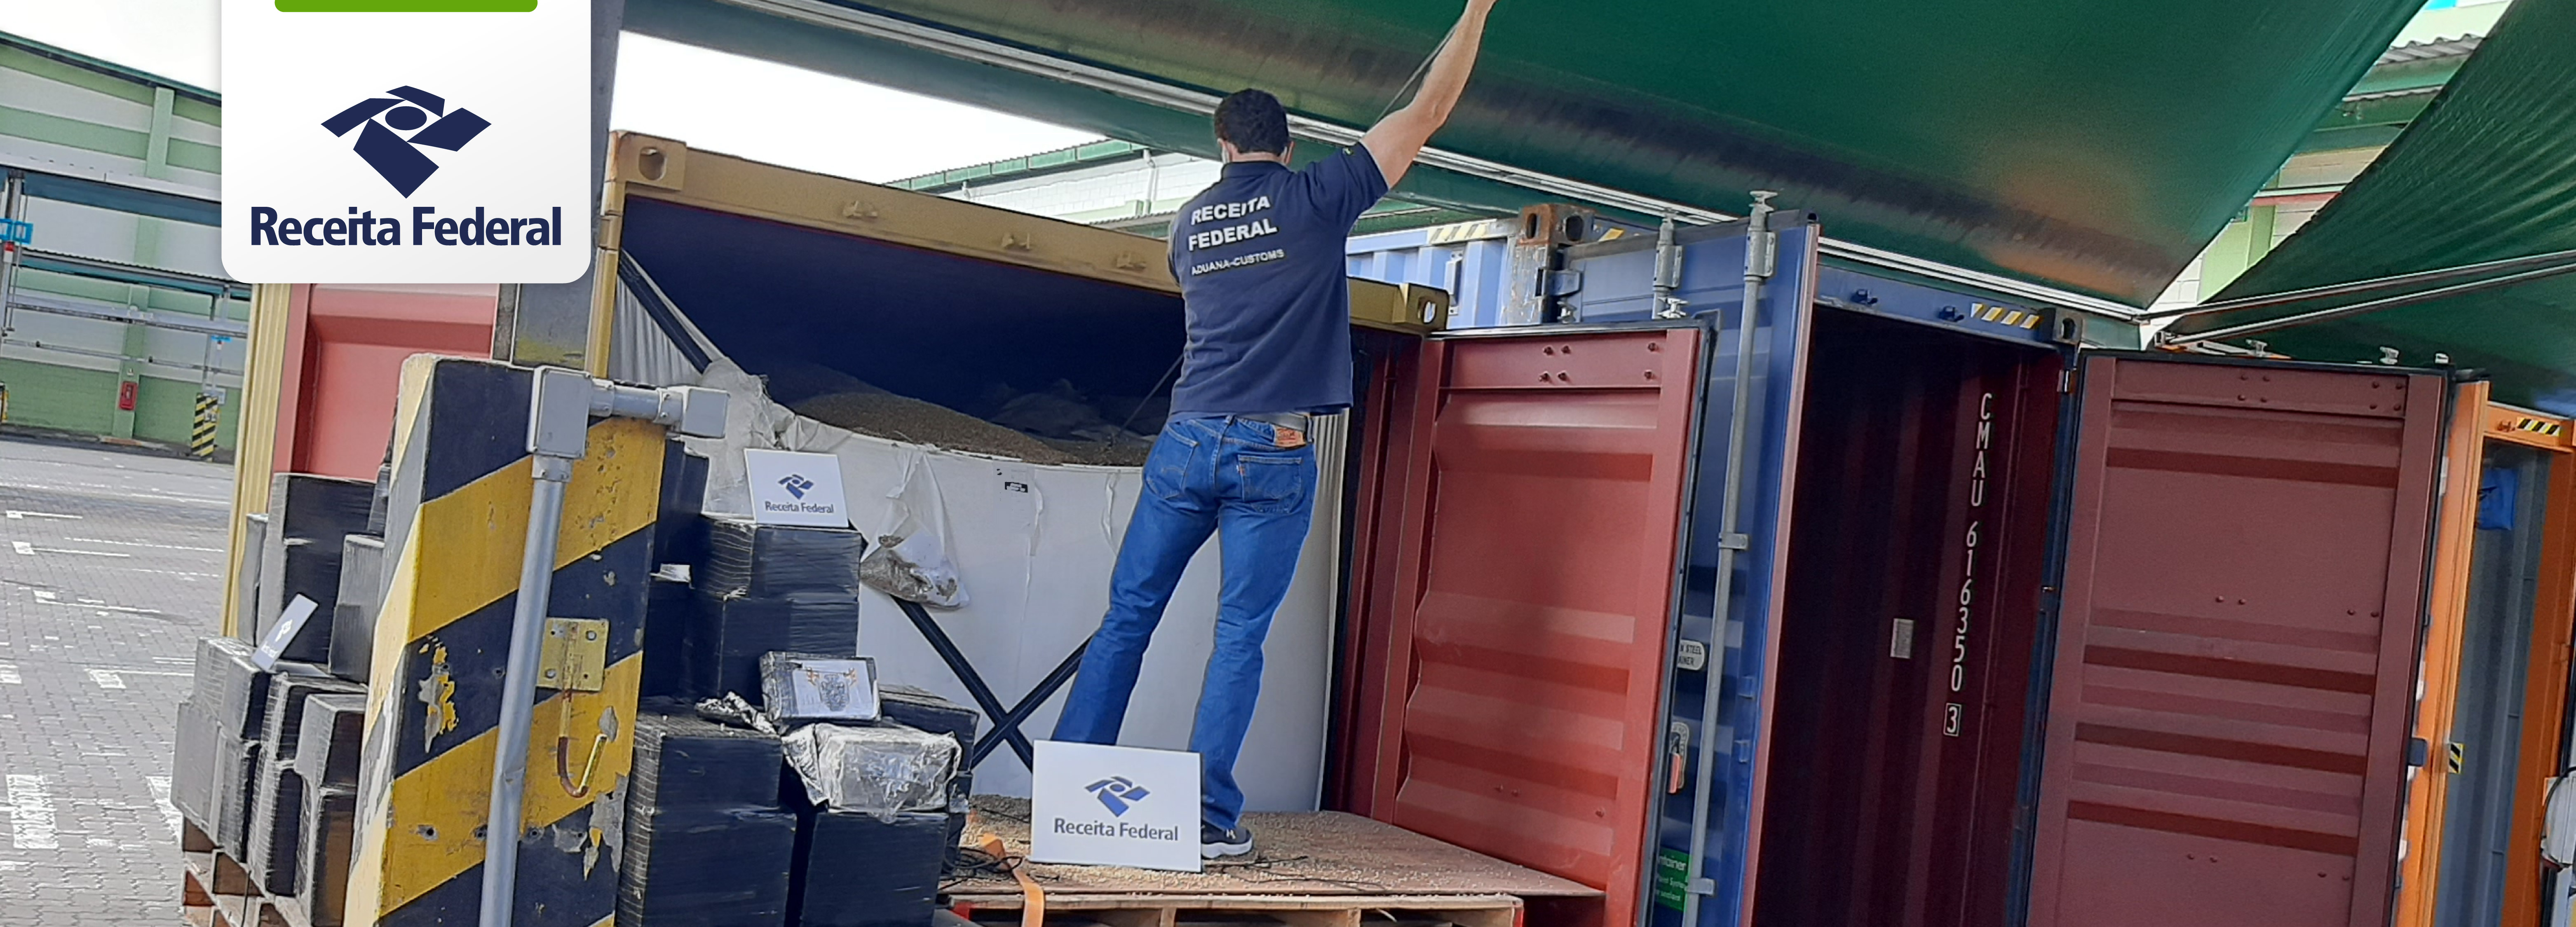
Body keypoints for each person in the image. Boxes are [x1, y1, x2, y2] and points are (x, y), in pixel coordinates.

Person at [1050, 0, 1502, 861]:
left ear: (1222, 145)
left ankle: (1067, 796)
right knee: (1238, 636)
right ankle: (1206, 820)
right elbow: (1427, 113)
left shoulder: (1186, 224)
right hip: (1272, 449)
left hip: (1186, 440)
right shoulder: (1317, 198)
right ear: (1286, 147)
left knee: (1127, 617)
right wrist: (1475, 10)